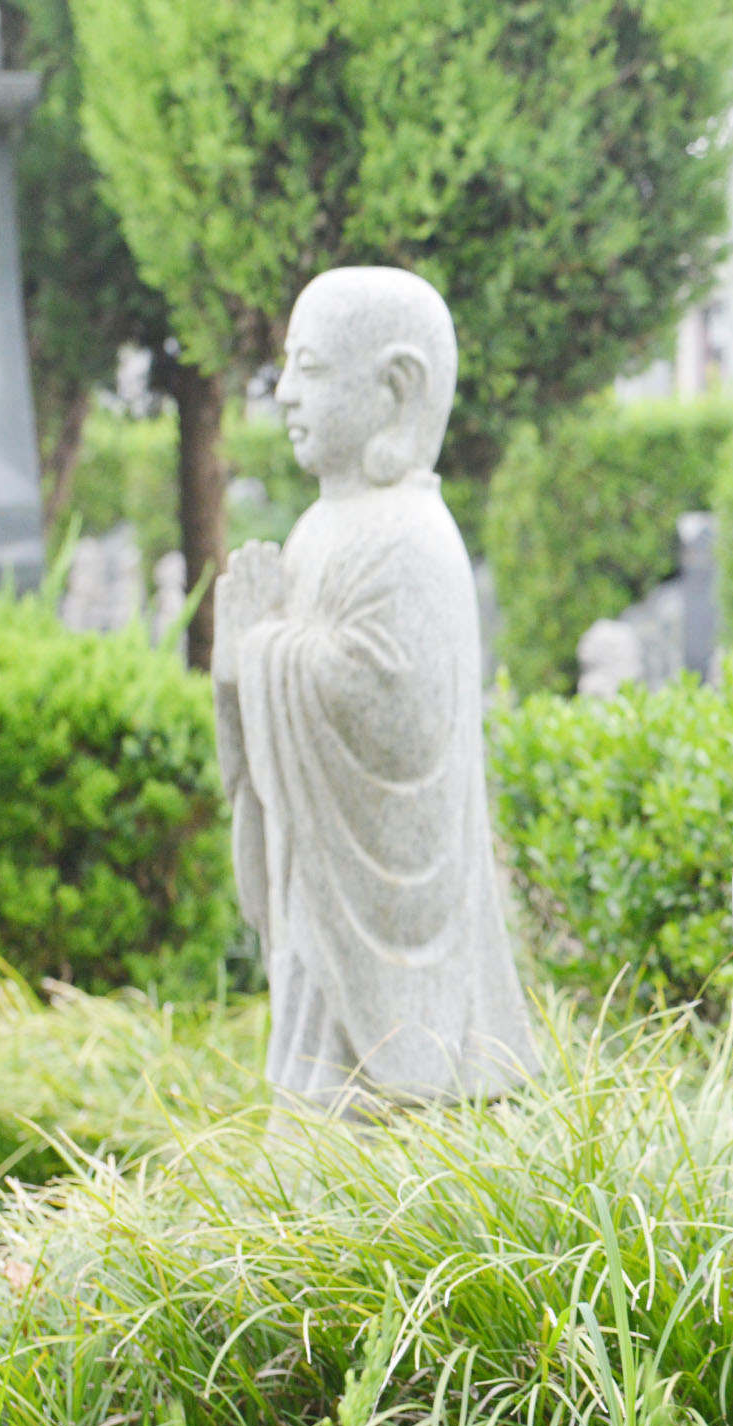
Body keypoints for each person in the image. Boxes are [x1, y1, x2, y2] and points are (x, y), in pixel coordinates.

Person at [213, 267, 537, 1117]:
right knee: (314, 1102)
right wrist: (239, 664)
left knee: (359, 1122)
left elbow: (397, 716)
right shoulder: (322, 527)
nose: (284, 393)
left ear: (398, 388)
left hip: (392, 912)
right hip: (316, 906)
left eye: (311, 368)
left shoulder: (410, 539)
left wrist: (259, 649)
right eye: (286, 366)